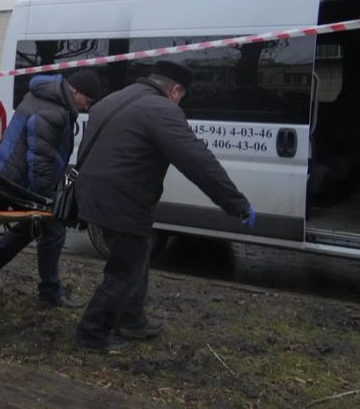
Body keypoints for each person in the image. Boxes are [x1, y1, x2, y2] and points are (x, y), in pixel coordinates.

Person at [72, 60, 255, 353]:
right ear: (175, 90)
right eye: (181, 96)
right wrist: (235, 202)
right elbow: (197, 161)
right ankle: (91, 333)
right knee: (124, 270)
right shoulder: (163, 110)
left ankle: (132, 320)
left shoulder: (113, 99)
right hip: (122, 200)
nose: (180, 102)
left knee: (138, 255)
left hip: (94, 191)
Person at [0, 70, 102, 308]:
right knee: (54, 226)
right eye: (87, 101)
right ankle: (49, 292)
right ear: (76, 91)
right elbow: (39, 160)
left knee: (32, 225)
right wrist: (46, 198)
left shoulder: (48, 97)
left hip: (9, 173)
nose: (87, 108)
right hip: (14, 179)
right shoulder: (55, 111)